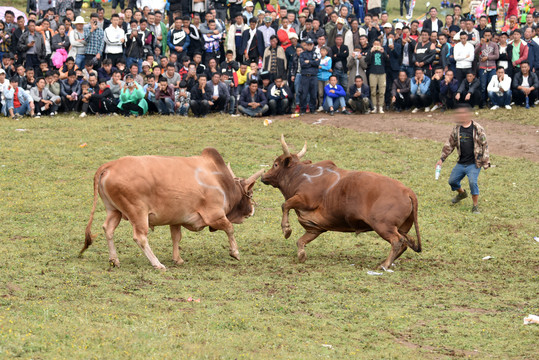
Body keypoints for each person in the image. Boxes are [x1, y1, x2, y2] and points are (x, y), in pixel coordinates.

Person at [436, 104, 490, 214]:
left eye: (463, 113)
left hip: (474, 163)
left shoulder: (477, 129)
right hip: (461, 163)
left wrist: (486, 162)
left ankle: (475, 206)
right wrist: (442, 159)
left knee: (472, 182)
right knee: (452, 181)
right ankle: (461, 193)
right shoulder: (457, 129)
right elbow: (450, 145)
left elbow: (485, 145)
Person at [299, 38, 320, 115]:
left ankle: (313, 109)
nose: (309, 46)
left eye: (311, 44)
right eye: (308, 44)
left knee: (313, 93)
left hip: (313, 76)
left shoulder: (316, 53)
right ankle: (303, 109)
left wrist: (309, 62)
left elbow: (317, 63)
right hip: (305, 76)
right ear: (305, 45)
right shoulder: (302, 54)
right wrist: (313, 62)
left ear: (313, 45)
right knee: (304, 93)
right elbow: (302, 64)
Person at [367, 39, 386, 114]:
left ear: (380, 44)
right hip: (372, 73)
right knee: (373, 91)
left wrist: (383, 52)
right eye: (375, 44)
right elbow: (367, 60)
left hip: (382, 73)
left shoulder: (382, 52)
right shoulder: (371, 51)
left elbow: (387, 60)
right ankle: (374, 106)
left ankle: (381, 106)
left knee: (382, 91)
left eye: (378, 44)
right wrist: (370, 51)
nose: (376, 46)